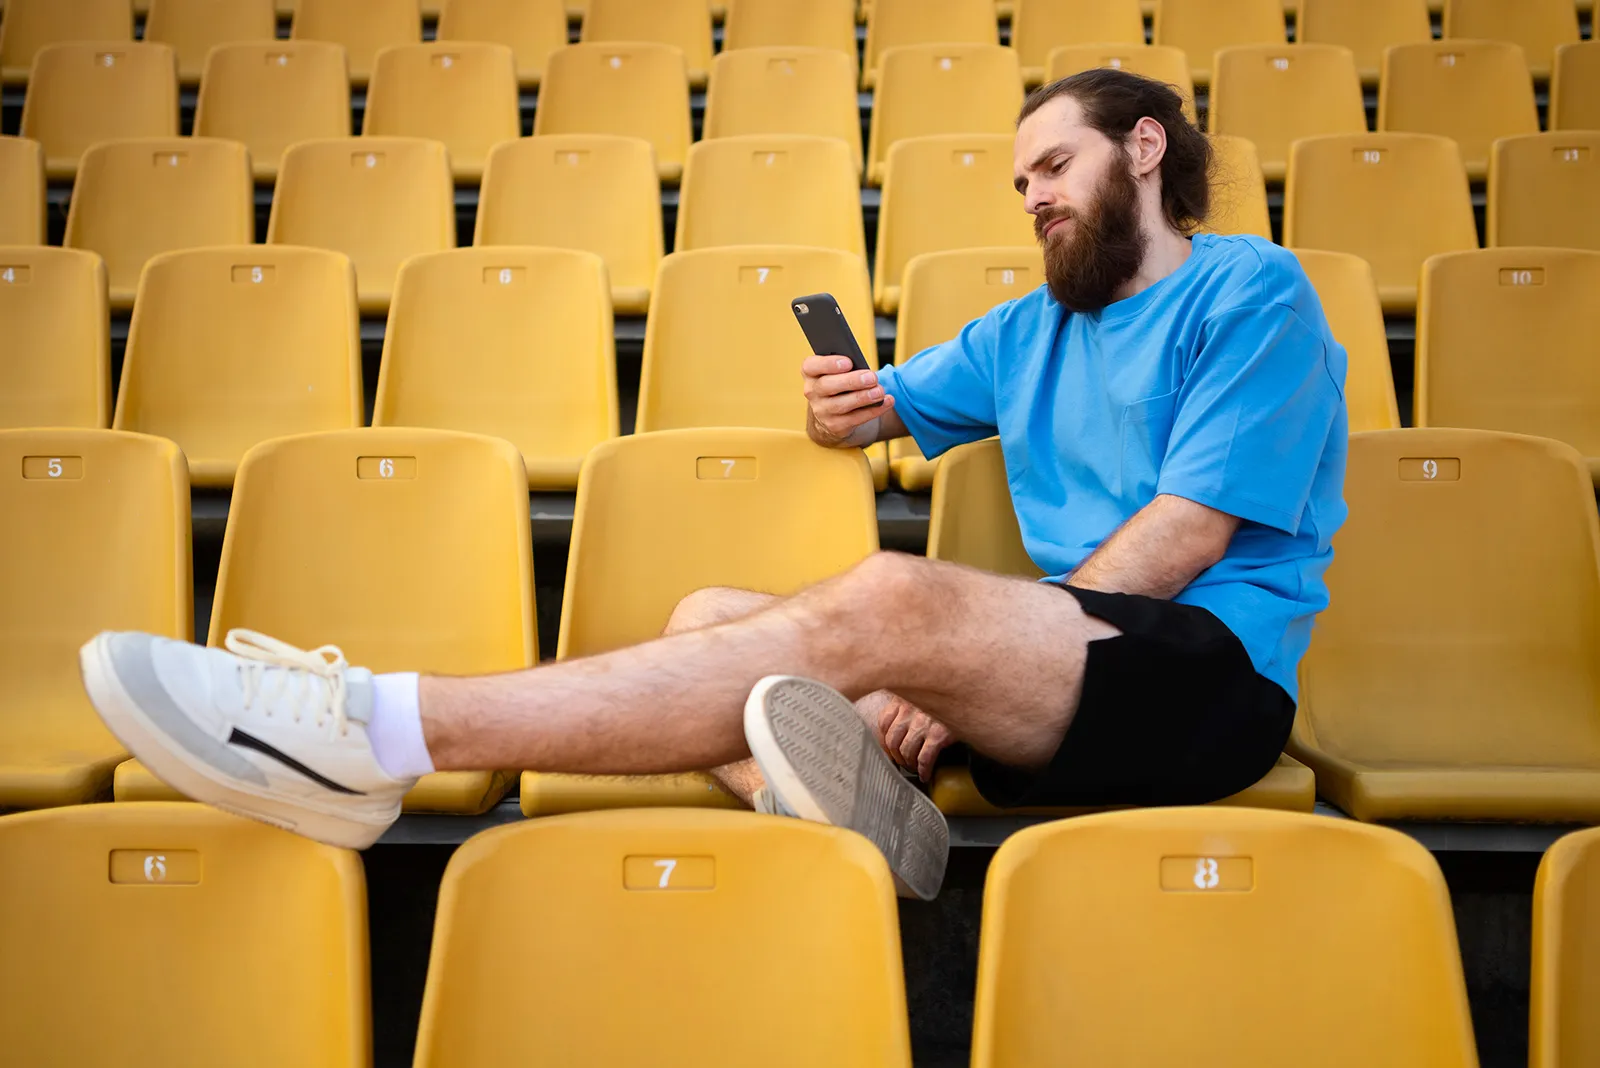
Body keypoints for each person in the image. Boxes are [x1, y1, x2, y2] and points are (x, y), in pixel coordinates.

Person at [78, 69, 1348, 902]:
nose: (1032, 199)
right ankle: (869, 836)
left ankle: (377, 729)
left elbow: (1182, 536)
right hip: (1067, 677)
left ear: (1141, 147)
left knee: (894, 600)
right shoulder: (1029, 328)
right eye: (1018, 184)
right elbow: (882, 408)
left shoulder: (1251, 291)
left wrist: (945, 671)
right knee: (706, 620)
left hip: (1210, 678)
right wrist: (846, 406)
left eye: (1051, 170)